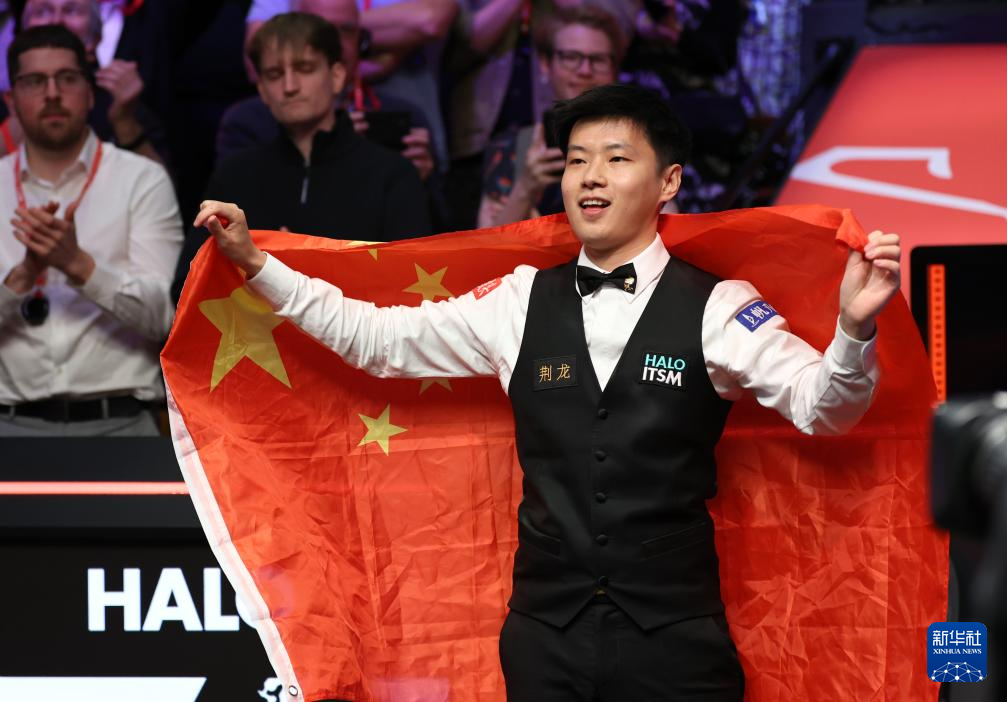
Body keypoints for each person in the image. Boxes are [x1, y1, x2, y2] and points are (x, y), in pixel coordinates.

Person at [196, 83, 902, 699]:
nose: (590, 177)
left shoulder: (720, 307)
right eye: (576, 160)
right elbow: (376, 340)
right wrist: (258, 264)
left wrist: (852, 329)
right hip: (545, 637)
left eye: (616, 159)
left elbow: (824, 409)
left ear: (668, 182)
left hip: (674, 640)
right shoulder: (518, 300)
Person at [0, 25, 183, 436]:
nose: (52, 94)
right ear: (11, 100)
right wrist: (22, 278)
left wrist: (79, 266)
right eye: (34, 81)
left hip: (121, 422)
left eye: (66, 78)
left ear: (90, 92)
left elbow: (165, 318)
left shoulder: (142, 179)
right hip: (8, 425)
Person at [198, 12, 430, 240]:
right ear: (262, 90)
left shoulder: (392, 175)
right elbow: (194, 265)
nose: (290, 86)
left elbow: (411, 263)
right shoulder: (234, 177)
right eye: (274, 74)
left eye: (305, 68)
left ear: (336, 76)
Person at [217, 0, 436, 186]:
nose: (337, 43)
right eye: (321, 30)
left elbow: (434, 219)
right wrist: (326, 154)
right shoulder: (249, 123)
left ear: (361, 38)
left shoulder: (404, 115)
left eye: (346, 30)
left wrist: (416, 183)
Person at [477, 5, 624, 228]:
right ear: (546, 64)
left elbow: (666, 230)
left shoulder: (639, 144)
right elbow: (486, 243)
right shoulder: (513, 146)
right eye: (571, 57)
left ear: (615, 69)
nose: (584, 70)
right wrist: (525, 188)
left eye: (598, 60)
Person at [2, 0, 170, 165]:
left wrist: (125, 122)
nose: (56, 20)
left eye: (71, 10)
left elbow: (160, 180)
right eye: (43, 11)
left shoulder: (123, 104)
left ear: (96, 39)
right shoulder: (8, 103)